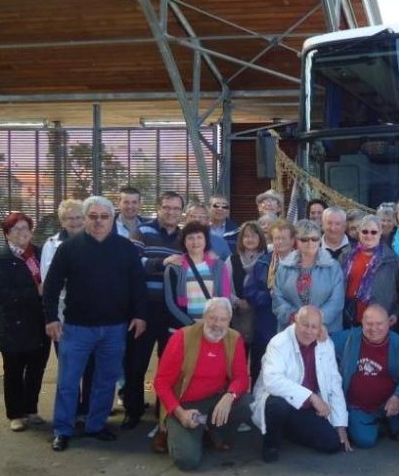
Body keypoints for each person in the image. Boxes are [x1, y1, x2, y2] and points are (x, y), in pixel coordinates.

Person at [43, 195, 147, 451]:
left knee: (105, 380)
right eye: (93, 216)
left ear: (112, 218)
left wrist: (140, 315)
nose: (99, 222)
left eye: (104, 217)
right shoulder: (69, 248)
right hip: (77, 328)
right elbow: (52, 286)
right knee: (68, 381)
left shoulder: (126, 248)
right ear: (85, 218)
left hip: (115, 328)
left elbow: (138, 286)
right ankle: (63, 429)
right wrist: (51, 318)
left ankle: (96, 424)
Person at [153, 298, 253, 471]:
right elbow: (160, 382)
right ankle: (176, 429)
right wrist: (180, 413)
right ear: (204, 316)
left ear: (229, 320)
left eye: (223, 319)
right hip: (185, 404)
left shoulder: (234, 338)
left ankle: (212, 431)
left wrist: (230, 396)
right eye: (213, 318)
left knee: (247, 402)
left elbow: (241, 377)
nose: (217, 324)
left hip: (215, 399)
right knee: (187, 460)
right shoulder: (182, 337)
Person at [251, 306, 351, 463]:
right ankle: (271, 444)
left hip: (304, 408)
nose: (309, 331)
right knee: (277, 405)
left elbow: (334, 382)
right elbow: (272, 381)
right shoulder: (279, 343)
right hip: (280, 401)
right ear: (295, 321)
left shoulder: (325, 344)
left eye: (314, 326)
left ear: (320, 328)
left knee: (332, 444)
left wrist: (340, 426)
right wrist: (311, 397)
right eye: (305, 324)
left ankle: (286, 429)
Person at [122, 191, 185, 430]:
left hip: (172, 310)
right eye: (166, 207)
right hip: (143, 308)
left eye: (176, 208)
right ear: (158, 208)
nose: (171, 212)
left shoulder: (184, 237)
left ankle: (164, 410)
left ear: (181, 211)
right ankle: (133, 410)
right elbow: (131, 263)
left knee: (168, 364)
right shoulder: (142, 232)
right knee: (136, 362)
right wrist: (161, 263)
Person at [0, 212, 50, 432]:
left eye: (26, 228)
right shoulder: (1, 259)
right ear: (7, 235)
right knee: (14, 371)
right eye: (17, 229)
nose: (23, 233)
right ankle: (15, 414)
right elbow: (1, 294)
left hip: (40, 323)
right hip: (13, 325)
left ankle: (31, 410)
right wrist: (36, 292)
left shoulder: (40, 253)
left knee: (37, 369)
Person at [331, 305, 399, 447]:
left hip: (389, 401)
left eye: (379, 324)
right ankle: (378, 425)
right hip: (358, 406)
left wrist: (398, 396)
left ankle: (393, 423)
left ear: (388, 324)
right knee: (365, 441)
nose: (374, 329)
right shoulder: (350, 338)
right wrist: (320, 332)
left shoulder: (396, 343)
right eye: (369, 324)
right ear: (362, 323)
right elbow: (325, 340)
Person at [41, 199, 93, 425]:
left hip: (92, 319)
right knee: (69, 371)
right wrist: (51, 318)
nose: (75, 222)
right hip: (64, 319)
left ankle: (87, 411)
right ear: (62, 221)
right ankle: (67, 417)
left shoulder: (96, 242)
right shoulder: (51, 245)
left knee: (92, 369)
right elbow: (48, 283)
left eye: (79, 217)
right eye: (70, 218)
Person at [245, 219, 296, 384]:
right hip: (264, 324)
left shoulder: (301, 263)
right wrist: (270, 296)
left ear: (292, 240)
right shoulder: (262, 262)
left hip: (290, 324)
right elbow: (250, 292)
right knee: (260, 369)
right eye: (276, 238)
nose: (279, 242)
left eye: (283, 238)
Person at [273, 220, 345, 333]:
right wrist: (293, 316)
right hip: (291, 330)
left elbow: (336, 301)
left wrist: (314, 321)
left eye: (314, 239)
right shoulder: (284, 266)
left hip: (325, 331)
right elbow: (278, 298)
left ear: (320, 239)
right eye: (304, 239)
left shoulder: (332, 267)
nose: (310, 243)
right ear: (297, 241)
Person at [163, 221, 232, 327]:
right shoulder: (174, 268)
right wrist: (192, 325)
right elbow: (171, 303)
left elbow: (225, 296)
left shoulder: (219, 266)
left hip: (214, 327)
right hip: (185, 328)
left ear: (206, 240)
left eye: (199, 237)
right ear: (184, 242)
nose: (195, 242)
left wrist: (215, 323)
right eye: (190, 238)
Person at [338, 215, 399, 327]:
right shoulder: (346, 256)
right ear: (359, 232)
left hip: (377, 322)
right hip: (348, 318)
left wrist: (396, 313)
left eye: (373, 232)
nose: (369, 235)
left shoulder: (392, 261)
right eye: (365, 231)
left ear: (380, 233)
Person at [226, 221, 267, 345]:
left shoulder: (268, 258)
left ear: (260, 238)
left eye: (254, 236)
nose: (250, 239)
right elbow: (224, 286)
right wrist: (237, 301)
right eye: (246, 236)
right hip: (239, 314)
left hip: (262, 314)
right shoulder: (232, 259)